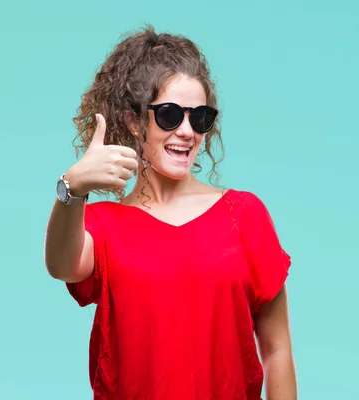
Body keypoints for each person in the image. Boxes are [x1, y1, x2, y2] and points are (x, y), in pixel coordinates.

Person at [43, 26, 297, 399]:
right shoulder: (102, 226)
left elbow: (277, 351)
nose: (186, 132)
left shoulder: (243, 215)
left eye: (200, 118)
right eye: (169, 115)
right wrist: (72, 188)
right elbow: (61, 266)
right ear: (134, 121)